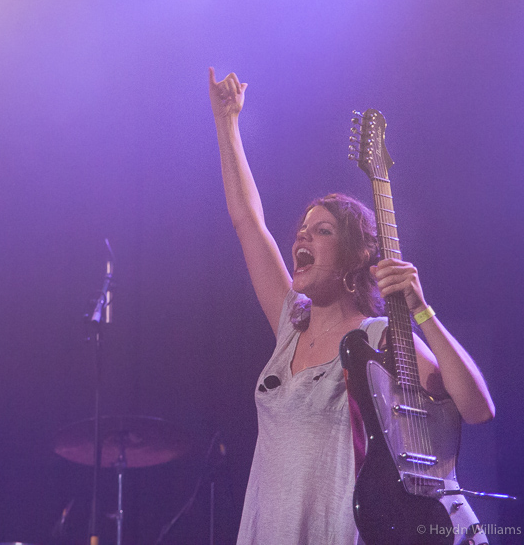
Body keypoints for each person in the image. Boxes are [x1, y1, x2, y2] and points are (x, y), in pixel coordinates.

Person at [207, 68, 495, 544]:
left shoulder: (378, 337)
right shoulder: (290, 325)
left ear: (358, 255)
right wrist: (226, 125)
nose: (302, 234)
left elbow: (475, 407)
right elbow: (247, 220)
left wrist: (422, 311)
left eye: (322, 230)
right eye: (302, 227)